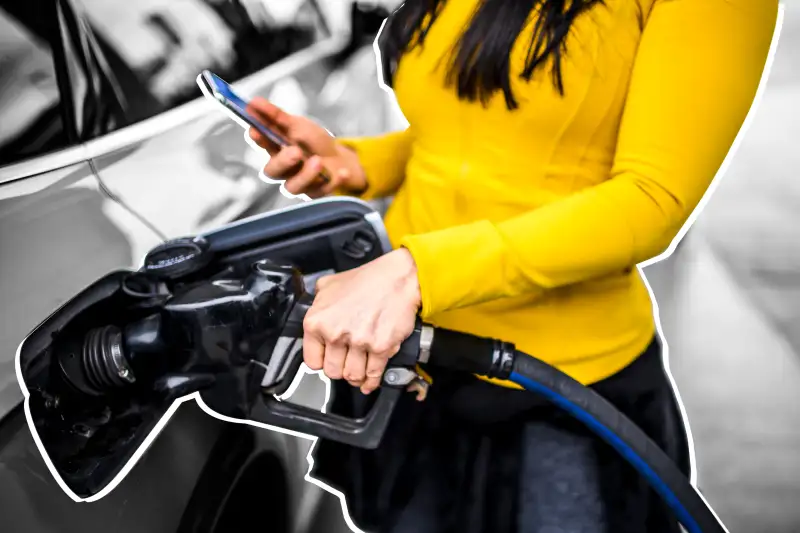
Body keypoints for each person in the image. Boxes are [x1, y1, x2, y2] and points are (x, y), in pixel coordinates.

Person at [246, 1, 778, 532]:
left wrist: (418, 272)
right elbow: (461, 131)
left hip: (552, 388)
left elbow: (651, 199)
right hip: (415, 366)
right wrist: (355, 164)